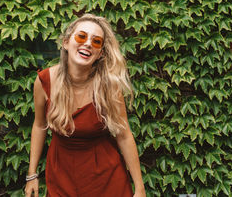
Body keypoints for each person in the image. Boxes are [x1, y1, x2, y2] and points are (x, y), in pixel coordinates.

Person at [25, 14, 146, 197]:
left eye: (96, 42)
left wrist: (139, 188)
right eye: (81, 37)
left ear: (101, 54)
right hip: (61, 176)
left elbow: (123, 134)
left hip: (107, 178)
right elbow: (40, 125)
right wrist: (32, 174)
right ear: (66, 43)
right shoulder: (45, 81)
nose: (88, 43)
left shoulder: (109, 86)